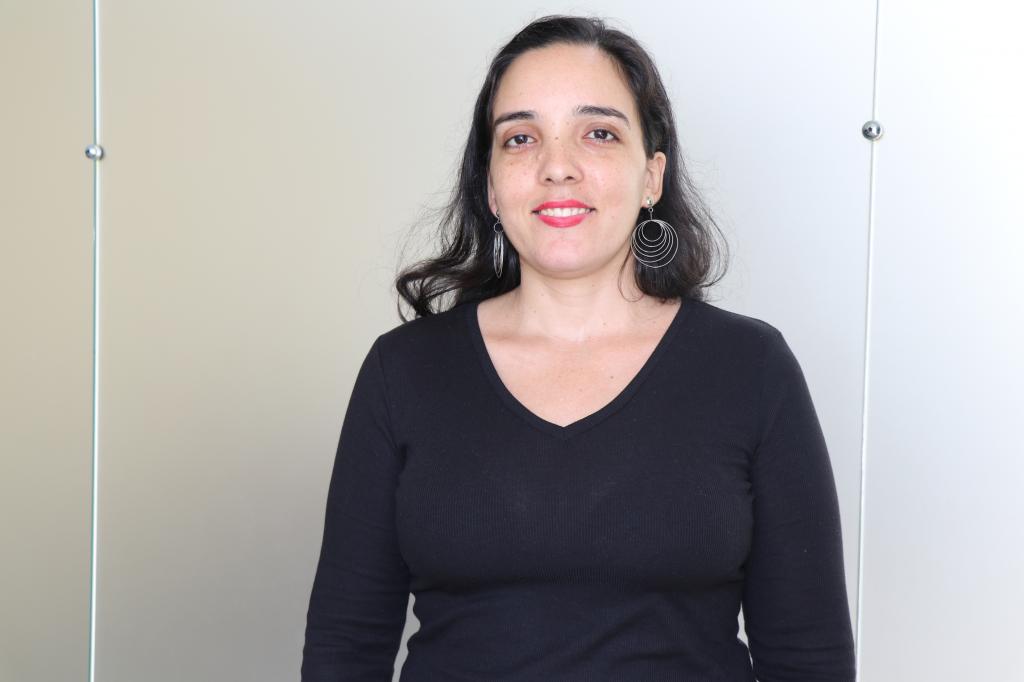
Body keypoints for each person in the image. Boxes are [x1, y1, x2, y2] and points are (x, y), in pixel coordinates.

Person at [302, 14, 856, 682]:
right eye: (520, 138)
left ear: (652, 176)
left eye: (598, 133)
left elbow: (809, 659)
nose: (556, 167)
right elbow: (344, 650)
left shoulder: (750, 369)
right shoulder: (403, 372)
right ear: (491, 186)